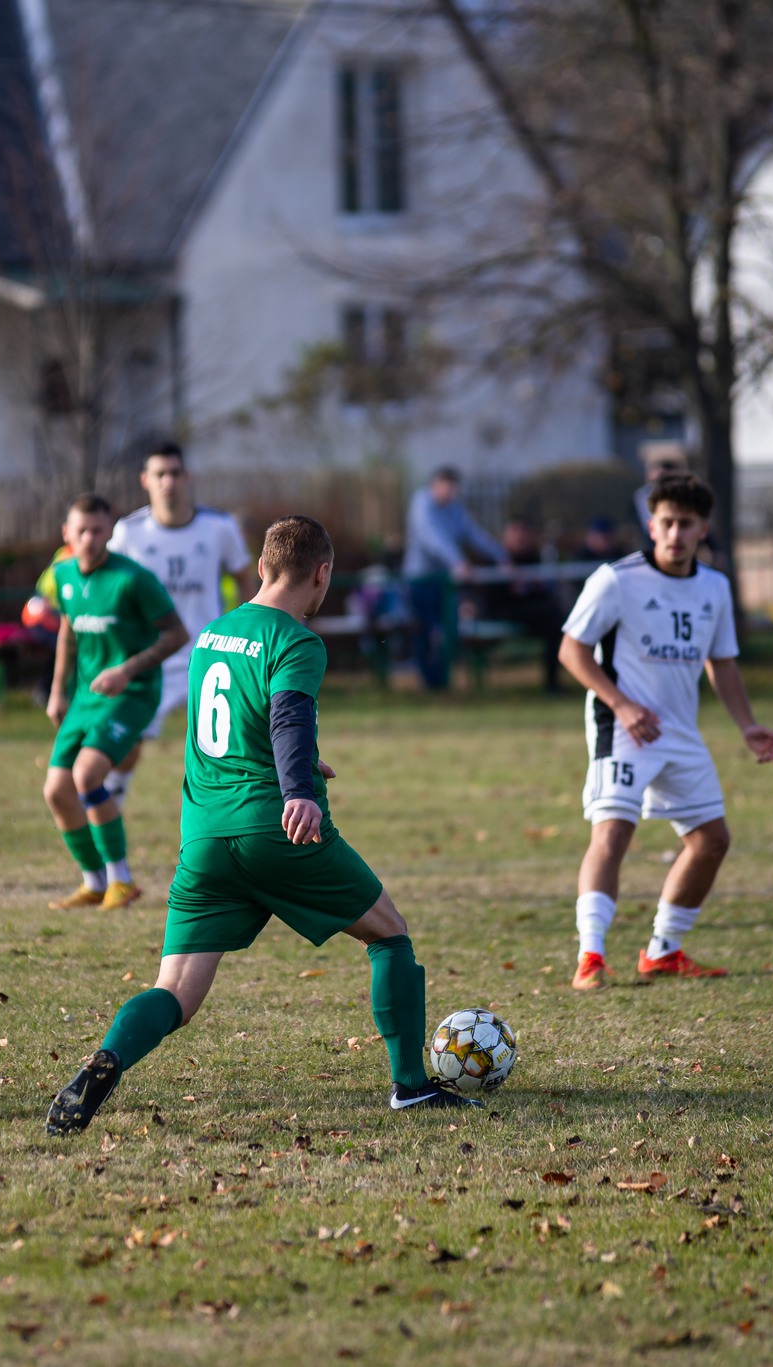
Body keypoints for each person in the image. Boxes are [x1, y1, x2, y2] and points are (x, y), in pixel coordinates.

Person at [46, 515, 479, 1134]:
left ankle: (108, 1060)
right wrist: (298, 788)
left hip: (204, 838)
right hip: (276, 829)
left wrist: (300, 763)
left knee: (175, 995)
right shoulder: (297, 640)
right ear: (322, 574)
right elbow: (287, 717)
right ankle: (411, 1087)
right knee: (390, 935)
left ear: (259, 568)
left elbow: (222, 733)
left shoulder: (212, 634)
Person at [556, 473, 773, 988]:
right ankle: (590, 956)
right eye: (666, 523)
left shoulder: (715, 587)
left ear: (703, 528)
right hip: (622, 726)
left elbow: (722, 665)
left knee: (711, 841)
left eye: (686, 523)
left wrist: (747, 725)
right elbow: (571, 650)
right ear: (651, 524)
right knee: (613, 832)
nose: (675, 533)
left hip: (679, 732)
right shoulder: (617, 579)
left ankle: (663, 950)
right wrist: (623, 703)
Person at [43, 495, 189, 911]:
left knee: (87, 775)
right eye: (81, 531)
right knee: (56, 790)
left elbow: (177, 634)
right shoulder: (63, 575)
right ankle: (94, 882)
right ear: (66, 534)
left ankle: (121, 880)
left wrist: (127, 670)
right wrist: (58, 691)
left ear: (110, 532)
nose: (89, 539)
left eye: (97, 530)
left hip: (133, 694)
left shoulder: (133, 579)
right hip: (87, 698)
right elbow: (68, 631)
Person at [104, 442, 256, 804]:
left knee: (222, 747)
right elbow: (110, 587)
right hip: (151, 657)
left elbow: (244, 579)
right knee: (126, 744)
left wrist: (246, 634)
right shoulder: (129, 532)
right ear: (145, 480)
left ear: (187, 478)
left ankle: (225, 814)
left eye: (174, 473)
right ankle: (112, 804)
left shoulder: (219, 527)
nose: (168, 481)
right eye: (159, 474)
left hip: (208, 659)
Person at [401, 466, 508, 690]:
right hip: (421, 580)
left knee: (446, 629)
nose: (451, 494)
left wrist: (502, 557)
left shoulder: (454, 507)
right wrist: (457, 561)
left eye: (454, 489)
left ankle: (441, 681)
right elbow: (433, 538)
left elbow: (473, 533)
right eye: (447, 488)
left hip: (444, 581)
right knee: (425, 631)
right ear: (436, 485)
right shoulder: (422, 504)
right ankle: (429, 683)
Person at [482, 516, 566, 692]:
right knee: (552, 617)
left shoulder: (534, 558)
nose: (520, 538)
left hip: (533, 614)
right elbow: (490, 597)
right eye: (515, 533)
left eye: (523, 533)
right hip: (505, 611)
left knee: (554, 619)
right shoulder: (496, 560)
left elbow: (543, 592)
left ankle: (553, 682)